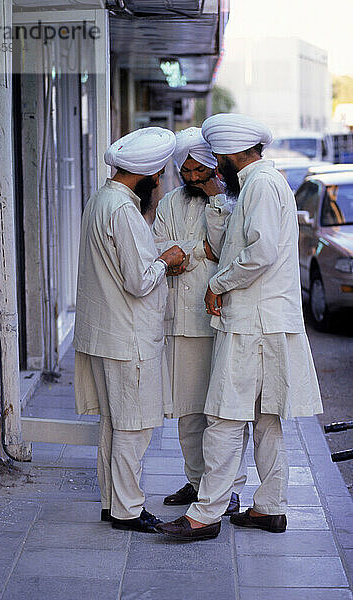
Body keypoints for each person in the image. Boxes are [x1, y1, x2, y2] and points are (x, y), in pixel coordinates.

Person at [156, 114, 323, 541]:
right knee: (266, 421)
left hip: (254, 324)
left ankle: (205, 514)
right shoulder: (260, 183)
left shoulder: (261, 185)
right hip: (263, 322)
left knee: (224, 419)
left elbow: (261, 251)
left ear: (230, 155)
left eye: (218, 160)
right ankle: (269, 508)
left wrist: (218, 282)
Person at [73, 127, 186, 533]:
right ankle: (128, 509)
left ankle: (113, 503)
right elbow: (139, 280)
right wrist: (167, 259)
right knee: (134, 427)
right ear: (149, 177)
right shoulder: (123, 210)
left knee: (114, 424)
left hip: (105, 334)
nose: (160, 187)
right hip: (129, 338)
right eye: (159, 180)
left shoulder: (100, 200)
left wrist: (152, 257)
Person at [153, 127, 245, 515]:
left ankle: (229, 490)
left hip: (218, 321)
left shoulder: (231, 203)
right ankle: (196, 483)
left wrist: (215, 206)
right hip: (179, 323)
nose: (192, 178)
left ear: (213, 167)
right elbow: (158, 250)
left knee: (222, 412)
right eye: (186, 171)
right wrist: (197, 251)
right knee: (188, 413)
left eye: (199, 171)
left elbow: (228, 251)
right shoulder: (169, 203)